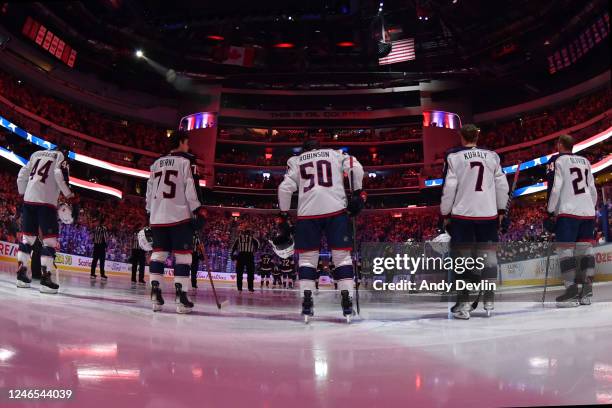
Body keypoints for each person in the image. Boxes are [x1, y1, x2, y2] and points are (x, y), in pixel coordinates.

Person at [276, 138, 365, 320]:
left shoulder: (296, 160)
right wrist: (356, 192)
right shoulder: (336, 154)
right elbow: (355, 168)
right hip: (336, 209)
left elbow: (284, 189)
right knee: (341, 258)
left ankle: (307, 300)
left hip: (308, 213)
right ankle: (346, 299)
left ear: (304, 150)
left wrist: (284, 215)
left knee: (308, 259)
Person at [440, 124, 509, 320]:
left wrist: (445, 213)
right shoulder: (492, 156)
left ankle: (464, 303)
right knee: (489, 258)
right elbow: (502, 186)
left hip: (463, 215)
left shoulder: (453, 157)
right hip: (488, 214)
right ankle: (489, 298)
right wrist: (501, 210)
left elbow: (449, 188)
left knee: (463, 261)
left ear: (461, 136)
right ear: (477, 136)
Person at [145, 130, 205, 314]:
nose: (188, 146)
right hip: (179, 215)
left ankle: (155, 294)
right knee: (183, 257)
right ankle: (181, 297)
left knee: (158, 254)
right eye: (186, 143)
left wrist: (149, 212)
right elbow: (191, 188)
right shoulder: (186, 161)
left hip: (157, 216)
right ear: (181, 142)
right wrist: (198, 210)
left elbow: (148, 192)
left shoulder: (155, 163)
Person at [545, 134, 598, 307]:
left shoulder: (559, 161)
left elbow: (556, 187)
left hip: (568, 212)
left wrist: (550, 210)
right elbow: (592, 189)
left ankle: (571, 292)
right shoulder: (585, 161)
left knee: (565, 252)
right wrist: (590, 206)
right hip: (587, 211)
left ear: (560, 144)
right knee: (586, 250)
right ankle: (587, 291)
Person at [16, 145, 75, 293]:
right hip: (46, 202)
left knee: (27, 239)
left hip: (29, 200)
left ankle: (21, 276)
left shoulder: (36, 154)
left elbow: (22, 173)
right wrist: (68, 194)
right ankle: (46, 280)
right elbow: (58, 173)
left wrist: (23, 191)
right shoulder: (59, 157)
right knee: (49, 241)